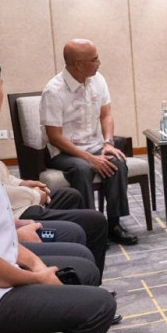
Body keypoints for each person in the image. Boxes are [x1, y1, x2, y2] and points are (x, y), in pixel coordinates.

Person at [0, 49, 118, 333]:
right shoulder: (55, 89)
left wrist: (31, 260)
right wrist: (33, 276)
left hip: (10, 252)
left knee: (81, 252)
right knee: (96, 301)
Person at [40, 38, 137, 245]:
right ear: (78, 64)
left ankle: (114, 224)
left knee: (117, 163)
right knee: (83, 168)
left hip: (95, 145)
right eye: (94, 59)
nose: (99, 63)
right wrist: (89, 158)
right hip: (64, 152)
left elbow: (106, 115)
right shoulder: (54, 90)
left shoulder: (98, 80)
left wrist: (108, 143)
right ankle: (89, 228)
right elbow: (54, 136)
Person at [0, 157, 109, 279]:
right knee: (93, 223)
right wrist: (35, 195)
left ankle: (80, 277)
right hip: (16, 212)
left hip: (14, 207)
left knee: (72, 196)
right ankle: (82, 276)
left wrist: (21, 183)